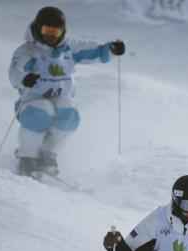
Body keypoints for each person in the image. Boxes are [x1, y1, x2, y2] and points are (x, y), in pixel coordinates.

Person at [8, 6, 125, 177]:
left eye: (55, 32)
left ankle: (48, 155)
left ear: (62, 32)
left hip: (61, 96)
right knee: (40, 113)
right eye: (46, 30)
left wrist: (111, 50)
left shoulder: (68, 48)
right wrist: (24, 78)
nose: (50, 36)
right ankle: (27, 157)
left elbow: (94, 52)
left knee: (69, 116)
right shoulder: (28, 51)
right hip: (33, 98)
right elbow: (14, 72)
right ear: (38, 29)